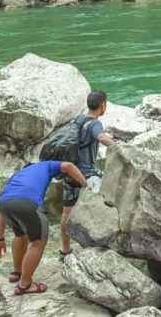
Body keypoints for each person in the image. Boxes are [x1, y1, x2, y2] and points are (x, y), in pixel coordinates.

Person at [0, 160, 86, 296]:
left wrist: (0, 239)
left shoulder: (16, 176)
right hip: (28, 202)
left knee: (20, 235)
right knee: (38, 242)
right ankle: (25, 285)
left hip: (4, 204)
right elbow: (68, 166)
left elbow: (0, 213)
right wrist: (85, 185)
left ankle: (17, 273)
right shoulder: (46, 165)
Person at [59, 91, 115, 257]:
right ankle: (102, 245)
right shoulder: (94, 123)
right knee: (107, 202)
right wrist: (120, 148)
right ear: (103, 105)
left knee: (66, 212)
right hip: (87, 173)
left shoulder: (78, 119)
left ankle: (65, 249)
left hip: (70, 170)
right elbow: (102, 138)